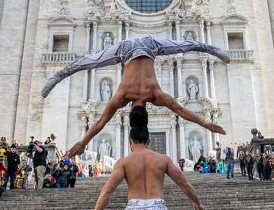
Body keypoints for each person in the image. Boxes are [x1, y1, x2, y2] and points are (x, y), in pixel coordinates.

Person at [42, 36, 230, 157]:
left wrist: (207, 125)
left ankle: (58, 75)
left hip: (146, 46)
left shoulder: (155, 95)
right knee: (185, 45)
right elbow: (100, 123)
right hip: (133, 48)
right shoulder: (123, 96)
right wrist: (82, 143)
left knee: (88, 62)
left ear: (146, 111)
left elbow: (181, 110)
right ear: (131, 110)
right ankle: (213, 50)